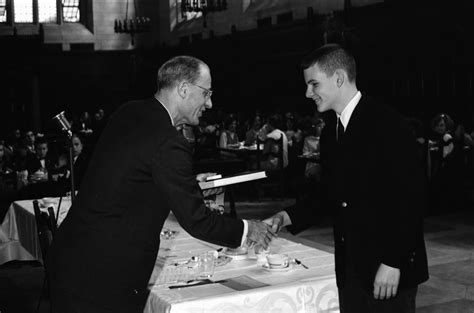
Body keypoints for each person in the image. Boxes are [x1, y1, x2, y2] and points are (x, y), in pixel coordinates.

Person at [49, 56, 276, 313]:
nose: (210, 103)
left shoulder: (131, 111)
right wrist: (249, 230)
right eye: (207, 93)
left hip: (74, 254)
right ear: (183, 89)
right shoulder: (168, 140)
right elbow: (197, 220)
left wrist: (186, 183)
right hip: (102, 272)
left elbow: (132, 173)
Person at [264, 44, 429, 313]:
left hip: (388, 270)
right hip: (352, 269)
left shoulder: (388, 123)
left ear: (339, 78)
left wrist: (394, 261)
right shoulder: (332, 132)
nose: (308, 93)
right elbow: (332, 194)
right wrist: (286, 217)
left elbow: (411, 198)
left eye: (314, 84)